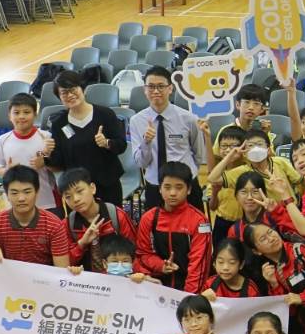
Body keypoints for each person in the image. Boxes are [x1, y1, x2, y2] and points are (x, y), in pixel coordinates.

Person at [45, 70, 128, 205]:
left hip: (107, 185)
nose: (70, 95)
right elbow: (59, 162)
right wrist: (47, 154)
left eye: (73, 89)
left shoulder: (105, 114)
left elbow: (121, 145)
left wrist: (107, 143)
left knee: (112, 217)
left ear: (82, 89)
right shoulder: (59, 124)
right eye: (64, 93)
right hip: (76, 191)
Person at [132, 66, 208, 210]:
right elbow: (141, 163)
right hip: (155, 185)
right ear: (144, 89)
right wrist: (146, 142)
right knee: (156, 224)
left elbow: (199, 155)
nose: (156, 91)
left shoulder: (188, 118)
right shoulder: (136, 121)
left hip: (185, 184)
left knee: (194, 222)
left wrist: (187, 175)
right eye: (151, 86)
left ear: (170, 88)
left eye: (161, 86)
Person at [135, 162, 212, 293]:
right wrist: (160, 265)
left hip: (187, 291)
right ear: (160, 188)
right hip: (156, 287)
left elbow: (199, 266)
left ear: (189, 189)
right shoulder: (148, 218)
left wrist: (188, 297)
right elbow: (142, 254)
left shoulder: (200, 221)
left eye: (179, 187)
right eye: (167, 187)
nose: (172, 193)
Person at [0, 166, 72, 267]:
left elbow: (61, 269)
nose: (21, 198)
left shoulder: (55, 225)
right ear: (7, 194)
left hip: (45, 276)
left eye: (27, 192)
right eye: (14, 193)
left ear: (37, 192)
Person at [58, 168, 137, 272]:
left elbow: (134, 253)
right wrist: (81, 244)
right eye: (68, 196)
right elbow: (63, 263)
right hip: (84, 279)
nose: (75, 199)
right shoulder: (67, 225)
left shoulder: (116, 216)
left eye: (79, 191)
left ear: (93, 188)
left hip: (117, 276)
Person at [0, 93, 57, 211]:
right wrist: (7, 171)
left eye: (26, 112)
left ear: (35, 114)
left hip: (47, 202)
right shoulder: (2, 140)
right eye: (16, 113)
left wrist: (45, 162)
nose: (21, 116)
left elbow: (58, 167)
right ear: (9, 116)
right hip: (17, 204)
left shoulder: (47, 137)